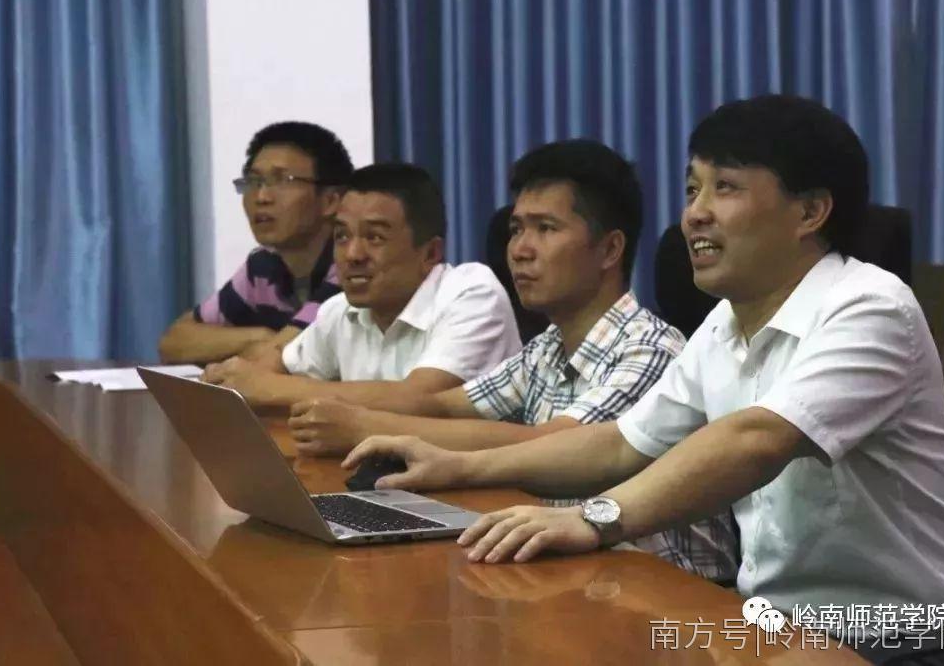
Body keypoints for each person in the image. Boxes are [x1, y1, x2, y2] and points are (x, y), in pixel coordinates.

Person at [343, 95, 944, 633]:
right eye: (691, 188)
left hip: (913, 635)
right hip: (778, 628)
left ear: (810, 211)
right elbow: (620, 443)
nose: (694, 213)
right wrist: (454, 465)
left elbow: (757, 439)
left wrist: (592, 517)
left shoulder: (870, 305)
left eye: (725, 187)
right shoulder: (724, 325)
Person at [289, 139, 737, 582]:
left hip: (668, 589)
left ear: (609, 250)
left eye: (546, 228)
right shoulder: (546, 347)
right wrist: (343, 413)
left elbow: (553, 443)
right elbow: (444, 404)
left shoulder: (650, 348)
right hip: (581, 571)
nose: (520, 249)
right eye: (517, 229)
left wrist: (365, 427)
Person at [202, 162, 521, 408]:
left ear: (430, 253)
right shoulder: (339, 310)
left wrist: (270, 388)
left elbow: (419, 399)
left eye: (375, 237)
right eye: (342, 236)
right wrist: (230, 380)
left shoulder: (472, 292)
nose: (352, 255)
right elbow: (272, 368)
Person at [158, 121, 352, 364]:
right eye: (253, 182)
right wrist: (258, 337)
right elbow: (174, 342)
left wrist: (269, 345)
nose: (261, 197)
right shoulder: (263, 266)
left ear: (331, 201)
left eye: (283, 181)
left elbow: (285, 355)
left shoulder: (351, 266)